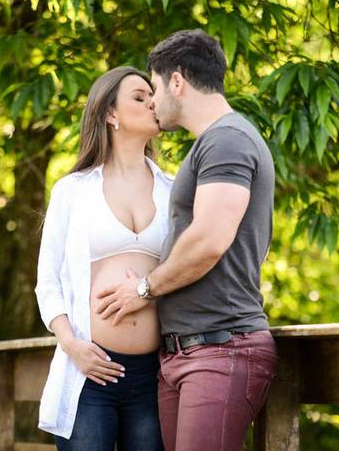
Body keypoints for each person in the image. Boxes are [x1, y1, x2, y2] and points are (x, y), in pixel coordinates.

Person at [95, 30, 279, 451]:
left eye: (155, 88)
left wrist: (144, 289)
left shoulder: (228, 138)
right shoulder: (211, 144)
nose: (153, 102)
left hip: (221, 347)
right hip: (184, 353)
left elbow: (210, 239)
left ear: (177, 82)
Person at [34, 66, 171, 450]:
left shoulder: (173, 190)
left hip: (154, 376)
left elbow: (185, 271)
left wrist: (147, 291)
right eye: (139, 97)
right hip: (89, 373)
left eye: (153, 96)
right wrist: (71, 345)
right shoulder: (72, 191)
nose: (153, 103)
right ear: (111, 113)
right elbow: (48, 281)